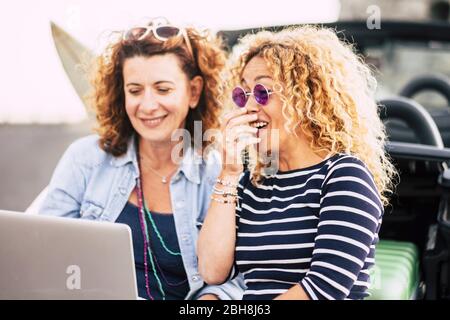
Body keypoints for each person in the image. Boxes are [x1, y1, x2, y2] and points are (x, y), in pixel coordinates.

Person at [39, 17, 243, 300]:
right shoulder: (84, 159)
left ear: (194, 91)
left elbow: (241, 278)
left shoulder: (220, 172)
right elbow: (43, 252)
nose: (147, 105)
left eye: (163, 89)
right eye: (135, 90)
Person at [197, 26, 397, 300]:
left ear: (308, 98)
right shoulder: (253, 184)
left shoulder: (345, 177)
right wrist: (229, 173)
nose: (248, 107)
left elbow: (323, 289)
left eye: (263, 92)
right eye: (243, 95)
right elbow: (212, 271)